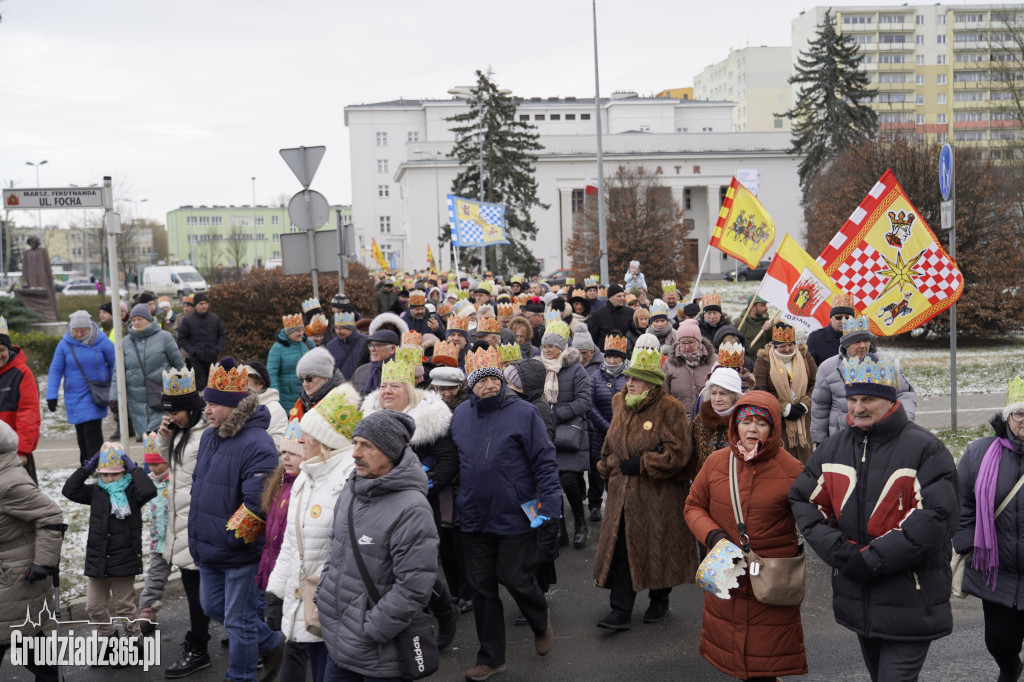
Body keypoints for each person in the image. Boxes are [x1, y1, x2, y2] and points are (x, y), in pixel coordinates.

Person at [789, 353, 960, 682]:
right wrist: (843, 552)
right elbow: (805, 500)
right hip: (858, 597)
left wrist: (873, 559)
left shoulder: (926, 449)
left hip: (912, 596)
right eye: (852, 399)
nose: (857, 408)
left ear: (890, 401)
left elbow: (937, 516)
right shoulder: (833, 448)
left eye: (868, 399)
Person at [451, 347, 560, 681]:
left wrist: (549, 507)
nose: (488, 386)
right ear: (471, 385)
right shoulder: (460, 416)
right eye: (481, 380)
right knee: (482, 587)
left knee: (515, 577)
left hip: (516, 514)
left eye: (493, 379)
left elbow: (544, 460)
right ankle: (491, 657)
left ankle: (539, 620)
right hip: (473, 516)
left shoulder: (524, 413)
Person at [684, 391, 808, 681]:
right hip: (727, 573)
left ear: (773, 427)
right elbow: (693, 506)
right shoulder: (717, 462)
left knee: (763, 665)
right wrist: (713, 536)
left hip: (770, 581)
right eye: (746, 421)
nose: (752, 428)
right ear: (735, 425)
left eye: (761, 423)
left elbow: (814, 518)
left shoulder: (792, 470)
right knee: (736, 661)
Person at [315, 409, 440, 681]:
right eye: (355, 442)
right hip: (338, 640)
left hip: (378, 653)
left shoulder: (412, 509)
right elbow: (336, 551)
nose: (355, 453)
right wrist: (323, 596)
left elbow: (414, 586)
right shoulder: (351, 489)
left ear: (391, 453)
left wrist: (373, 629)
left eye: (367, 446)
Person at [188, 359, 285, 682]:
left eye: (214, 403)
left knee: (239, 619)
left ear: (234, 406)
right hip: (210, 548)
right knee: (213, 606)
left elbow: (257, 504)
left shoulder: (258, 444)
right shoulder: (209, 437)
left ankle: (240, 676)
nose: (207, 410)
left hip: (238, 550)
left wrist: (231, 541)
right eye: (207, 402)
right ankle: (272, 642)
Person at [592, 334, 696, 630]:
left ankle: (660, 599)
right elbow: (610, 444)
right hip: (621, 493)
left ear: (651, 382)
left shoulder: (670, 407)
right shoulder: (619, 401)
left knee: (657, 547)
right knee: (622, 549)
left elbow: (680, 452)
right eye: (629, 377)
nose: (630, 382)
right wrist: (608, 465)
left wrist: (644, 463)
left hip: (657, 495)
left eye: (636, 378)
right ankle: (620, 610)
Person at [361, 359, 460, 648]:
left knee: (415, 567)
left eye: (395, 385)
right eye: (383, 386)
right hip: (379, 504)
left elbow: (448, 460)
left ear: (409, 389)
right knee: (388, 566)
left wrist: (421, 487)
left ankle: (439, 615)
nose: (387, 391)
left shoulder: (430, 419)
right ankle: (413, 623)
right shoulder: (369, 418)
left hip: (419, 506)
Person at [267, 386, 362, 682]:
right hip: (304, 600)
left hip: (333, 606)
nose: (301, 439)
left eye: (307, 433)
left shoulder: (348, 478)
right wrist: (277, 590)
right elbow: (291, 546)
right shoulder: (306, 476)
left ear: (324, 440)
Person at [953, 377, 1024, 682]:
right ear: (1008, 416)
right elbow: (961, 503)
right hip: (997, 570)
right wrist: (968, 545)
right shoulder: (979, 453)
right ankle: (1010, 668)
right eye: (1020, 413)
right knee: (999, 641)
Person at [62, 442, 158, 649]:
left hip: (124, 559)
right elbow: (69, 490)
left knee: (125, 607)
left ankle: (135, 640)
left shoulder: (133, 492)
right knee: (94, 607)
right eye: (104, 475)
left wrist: (134, 469)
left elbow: (149, 491)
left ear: (124, 472)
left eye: (114, 474)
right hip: (98, 560)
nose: (109, 479)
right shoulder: (96, 492)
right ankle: (110, 639)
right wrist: (86, 469)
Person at [156, 366, 213, 678]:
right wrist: (166, 437)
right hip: (180, 523)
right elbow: (167, 468)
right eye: (168, 412)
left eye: (175, 411)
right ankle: (198, 639)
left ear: (191, 408)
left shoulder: (204, 435)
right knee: (196, 588)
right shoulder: (180, 434)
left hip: (197, 525)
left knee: (200, 591)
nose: (171, 417)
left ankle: (200, 648)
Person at [0, 420, 64, 682]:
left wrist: (45, 563)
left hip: (13, 577)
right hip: (9, 578)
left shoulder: (9, 483)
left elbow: (51, 516)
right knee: (29, 643)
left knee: (19, 635)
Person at [810, 315, 917, 446]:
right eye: (856, 342)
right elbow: (820, 406)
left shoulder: (886, 363)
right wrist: (820, 441)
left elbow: (905, 394)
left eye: (866, 341)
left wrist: (904, 422)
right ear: (845, 343)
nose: (863, 346)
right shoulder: (828, 368)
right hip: (842, 440)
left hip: (882, 437)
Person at [538, 320, 593, 550]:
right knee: (551, 483)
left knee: (568, 480)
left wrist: (557, 414)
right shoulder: (538, 367)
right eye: (544, 346)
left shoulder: (575, 369)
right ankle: (560, 527)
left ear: (561, 347)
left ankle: (580, 522)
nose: (547, 350)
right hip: (544, 432)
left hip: (568, 431)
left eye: (551, 346)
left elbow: (584, 400)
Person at [46, 310, 117, 465]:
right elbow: (55, 369)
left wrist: (114, 388)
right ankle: (87, 465)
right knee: (81, 434)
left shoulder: (101, 341)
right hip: (74, 395)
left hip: (95, 393)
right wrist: (51, 395)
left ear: (89, 328)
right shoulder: (65, 344)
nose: (78, 333)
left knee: (92, 432)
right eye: (75, 330)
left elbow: (114, 365)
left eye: (82, 330)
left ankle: (96, 467)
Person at [753, 322, 817, 464]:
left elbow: (816, 383)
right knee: (782, 461)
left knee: (805, 461)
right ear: (775, 345)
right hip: (777, 420)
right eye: (782, 346)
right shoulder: (764, 360)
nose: (787, 349)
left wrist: (805, 403)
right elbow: (760, 389)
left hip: (803, 418)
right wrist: (784, 408)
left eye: (790, 344)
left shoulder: (805, 357)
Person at [586, 333, 629, 522]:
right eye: (609, 356)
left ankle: (614, 504)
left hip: (624, 434)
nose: (612, 360)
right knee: (597, 469)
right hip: (600, 433)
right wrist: (607, 426)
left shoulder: (630, 377)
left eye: (616, 356)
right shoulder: (595, 377)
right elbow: (589, 405)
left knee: (617, 470)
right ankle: (594, 504)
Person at [137, 434, 172, 634]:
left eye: (158, 463)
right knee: (155, 576)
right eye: (150, 464)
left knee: (196, 578)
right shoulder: (148, 481)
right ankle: (147, 610)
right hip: (159, 542)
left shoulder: (177, 479)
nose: (153, 468)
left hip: (181, 539)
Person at [0, 315, 41, 480]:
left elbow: (28, 415)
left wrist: (22, 451)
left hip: (13, 453)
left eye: (1, 350)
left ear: (8, 349)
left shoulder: (22, 373)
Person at [689, 367, 744, 478]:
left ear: (734, 397)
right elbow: (690, 453)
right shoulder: (699, 420)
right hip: (704, 483)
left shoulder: (745, 422)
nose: (717, 399)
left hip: (735, 484)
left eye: (723, 394)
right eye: (713, 393)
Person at [664, 319, 717, 417]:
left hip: (707, 421)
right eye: (683, 343)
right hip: (679, 422)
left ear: (699, 341)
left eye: (691, 342)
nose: (687, 347)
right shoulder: (669, 364)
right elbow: (664, 395)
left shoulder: (714, 361)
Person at [176, 292, 226, 391]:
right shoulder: (188, 320)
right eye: (201, 304)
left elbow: (222, 334)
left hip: (212, 357)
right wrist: (193, 351)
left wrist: (218, 348)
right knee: (200, 385)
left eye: (205, 303)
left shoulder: (214, 318)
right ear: (195, 306)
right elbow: (182, 338)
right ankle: (200, 405)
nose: (204, 306)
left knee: (213, 385)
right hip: (196, 359)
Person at [268, 314, 316, 413]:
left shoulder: (309, 343)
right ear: (288, 332)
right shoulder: (277, 349)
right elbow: (272, 374)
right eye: (297, 331)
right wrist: (275, 398)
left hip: (309, 397)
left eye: (302, 330)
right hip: (287, 401)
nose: (301, 333)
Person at [289, 347, 345, 421]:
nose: (305, 384)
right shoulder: (301, 402)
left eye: (309, 378)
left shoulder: (341, 403)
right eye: (301, 379)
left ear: (325, 377)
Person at [243, 360, 288, 451]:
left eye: (245, 382)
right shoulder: (233, 405)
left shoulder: (275, 409)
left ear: (260, 385)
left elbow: (278, 445)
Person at [806, 294, 855, 366]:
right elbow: (808, 369)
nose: (843, 321)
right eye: (838, 318)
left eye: (847, 318)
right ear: (831, 318)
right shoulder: (816, 338)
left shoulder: (861, 338)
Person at [350, 329, 399, 398]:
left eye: (378, 345)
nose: (372, 349)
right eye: (371, 345)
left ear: (392, 349)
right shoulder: (360, 371)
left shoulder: (401, 372)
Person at [325, 312, 367, 381]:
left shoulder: (365, 342)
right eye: (336, 328)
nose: (338, 331)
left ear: (351, 329)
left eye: (341, 328)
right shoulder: (330, 346)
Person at [588, 284, 634, 349]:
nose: (622, 298)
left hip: (625, 354)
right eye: (619, 296)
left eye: (623, 296)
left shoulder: (630, 313)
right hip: (604, 355)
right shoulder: (598, 315)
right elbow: (593, 338)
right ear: (610, 298)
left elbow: (633, 335)